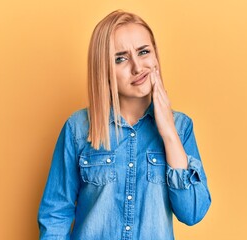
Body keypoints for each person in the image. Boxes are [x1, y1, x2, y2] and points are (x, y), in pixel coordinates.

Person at [37, 10, 211, 240]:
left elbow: (193, 212)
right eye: (120, 58)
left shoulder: (181, 127)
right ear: (104, 71)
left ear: (155, 56)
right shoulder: (78, 129)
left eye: (144, 52)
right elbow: (55, 215)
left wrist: (169, 133)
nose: (137, 67)